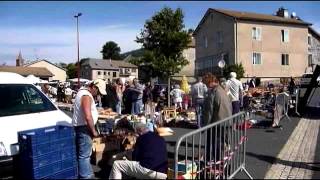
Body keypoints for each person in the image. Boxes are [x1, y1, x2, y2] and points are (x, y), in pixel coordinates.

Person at [72, 79, 107, 179]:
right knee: (84, 155)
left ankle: (86, 174)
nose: (98, 94)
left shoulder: (82, 92)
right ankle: (85, 176)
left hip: (81, 127)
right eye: (98, 91)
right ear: (94, 87)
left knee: (83, 155)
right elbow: (88, 116)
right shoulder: (86, 95)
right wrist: (94, 131)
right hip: (84, 128)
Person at [202, 73, 232, 163]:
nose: (206, 86)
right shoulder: (222, 90)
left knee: (216, 144)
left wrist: (205, 125)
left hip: (218, 122)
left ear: (210, 82)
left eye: (206, 84)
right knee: (222, 143)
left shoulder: (213, 92)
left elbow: (209, 111)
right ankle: (220, 161)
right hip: (226, 120)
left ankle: (216, 162)